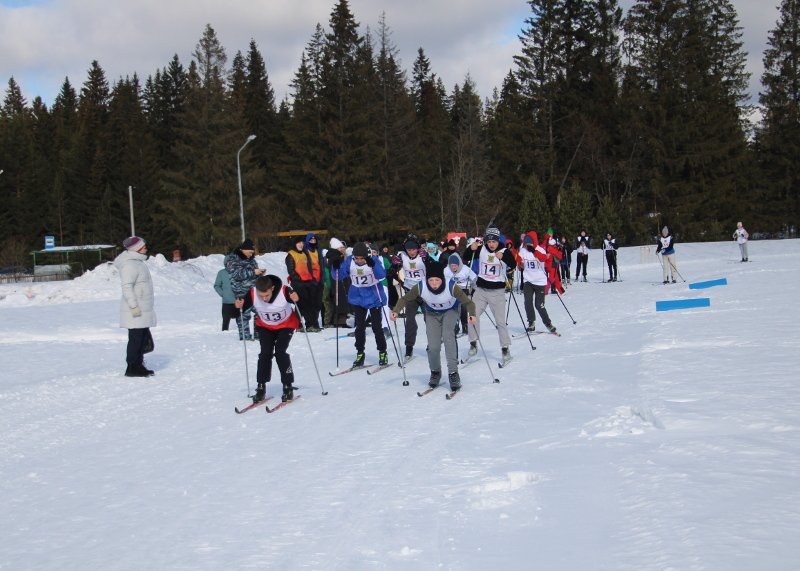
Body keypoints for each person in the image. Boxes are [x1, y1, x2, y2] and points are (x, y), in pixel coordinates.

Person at [391, 262, 476, 392]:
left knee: (448, 337)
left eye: (437, 280)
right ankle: (435, 372)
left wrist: (472, 314)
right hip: (431, 313)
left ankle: (453, 373)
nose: (434, 283)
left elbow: (468, 302)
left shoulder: (451, 286)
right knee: (433, 346)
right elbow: (405, 299)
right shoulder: (420, 286)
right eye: (431, 280)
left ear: (441, 279)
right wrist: (396, 310)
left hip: (451, 311)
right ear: (427, 279)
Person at [236, 275, 300, 403]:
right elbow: (241, 307)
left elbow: (299, 301)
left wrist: (296, 299)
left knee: (280, 353)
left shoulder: (284, 291)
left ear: (272, 288)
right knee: (265, 354)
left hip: (286, 325)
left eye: (267, 295)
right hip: (265, 326)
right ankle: (261, 387)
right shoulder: (253, 293)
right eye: (261, 296)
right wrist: (238, 305)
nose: (264, 299)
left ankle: (288, 386)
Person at [332, 242, 389, 369]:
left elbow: (381, 275)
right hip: (358, 297)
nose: (359, 261)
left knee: (376, 327)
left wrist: (373, 265)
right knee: (359, 327)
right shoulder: (350, 262)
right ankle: (360, 353)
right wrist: (335, 267)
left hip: (374, 296)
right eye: (356, 258)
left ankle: (382, 352)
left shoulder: (373, 260)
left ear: (366, 256)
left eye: (361, 258)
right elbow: (338, 276)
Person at [466, 224, 514, 364]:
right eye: (489, 241)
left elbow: (513, 264)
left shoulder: (504, 250)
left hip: (497, 292)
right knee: (472, 316)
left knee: (500, 322)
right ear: (486, 241)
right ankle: (473, 343)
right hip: (481, 290)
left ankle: (505, 349)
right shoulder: (481, 249)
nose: (492, 244)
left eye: (494, 241)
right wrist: (471, 248)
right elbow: (467, 256)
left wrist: (504, 257)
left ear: (498, 241)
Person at [115, 236, 156, 377]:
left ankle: (139, 365)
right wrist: (133, 306)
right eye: (143, 246)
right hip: (135, 310)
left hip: (142, 308)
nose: (146, 248)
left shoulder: (138, 262)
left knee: (143, 338)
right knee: (136, 339)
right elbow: (127, 287)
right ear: (136, 249)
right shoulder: (130, 264)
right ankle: (132, 367)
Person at [391, 234, 428, 363]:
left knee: (428, 318)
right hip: (410, 291)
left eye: (413, 249)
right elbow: (393, 266)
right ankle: (409, 347)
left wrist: (428, 260)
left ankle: (432, 343)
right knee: (410, 321)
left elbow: (434, 266)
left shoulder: (423, 255)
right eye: (409, 250)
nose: (411, 252)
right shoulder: (402, 256)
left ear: (417, 248)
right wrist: (394, 269)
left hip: (424, 292)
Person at [225, 238, 265, 340]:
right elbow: (236, 274)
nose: (251, 254)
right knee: (243, 315)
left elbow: (254, 273)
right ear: (243, 249)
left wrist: (259, 274)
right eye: (250, 252)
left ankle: (258, 334)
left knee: (260, 311)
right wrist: (253, 272)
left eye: (252, 252)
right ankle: (245, 337)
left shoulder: (252, 260)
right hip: (241, 292)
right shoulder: (233, 259)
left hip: (254, 292)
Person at [516, 233, 557, 333]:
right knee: (528, 302)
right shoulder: (523, 250)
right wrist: (519, 264)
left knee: (539, 305)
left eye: (529, 244)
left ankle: (548, 324)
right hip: (528, 281)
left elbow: (543, 258)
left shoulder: (539, 249)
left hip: (540, 282)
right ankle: (531, 323)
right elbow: (519, 260)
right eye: (525, 244)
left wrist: (533, 251)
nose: (527, 246)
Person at [285, 235, 323, 332]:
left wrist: (311, 278)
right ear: (295, 244)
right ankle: (309, 325)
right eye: (299, 243)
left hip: (308, 282)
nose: (301, 245)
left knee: (303, 305)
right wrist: (298, 279)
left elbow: (308, 268)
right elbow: (291, 270)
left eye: (302, 243)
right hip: (298, 284)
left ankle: (298, 324)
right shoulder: (291, 255)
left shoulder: (304, 254)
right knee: (306, 304)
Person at [444, 252, 477, 336]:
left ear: (459, 264)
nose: (453, 267)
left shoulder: (465, 269)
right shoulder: (446, 270)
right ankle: (455, 325)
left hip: (464, 289)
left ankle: (464, 325)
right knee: (453, 307)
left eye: (455, 265)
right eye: (452, 265)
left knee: (463, 307)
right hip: (452, 289)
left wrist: (473, 289)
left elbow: (474, 279)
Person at [325, 238, 350, 327]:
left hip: (342, 279)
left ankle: (340, 320)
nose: (343, 249)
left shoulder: (340, 255)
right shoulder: (335, 256)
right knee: (339, 299)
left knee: (342, 299)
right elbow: (332, 266)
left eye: (343, 248)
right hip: (336, 280)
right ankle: (338, 321)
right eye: (341, 248)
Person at [213, 266, 237, 331]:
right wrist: (223, 294)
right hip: (226, 302)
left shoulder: (239, 271)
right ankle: (223, 338)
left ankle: (242, 336)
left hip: (238, 301)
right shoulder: (221, 273)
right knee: (225, 324)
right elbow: (217, 285)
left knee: (241, 322)